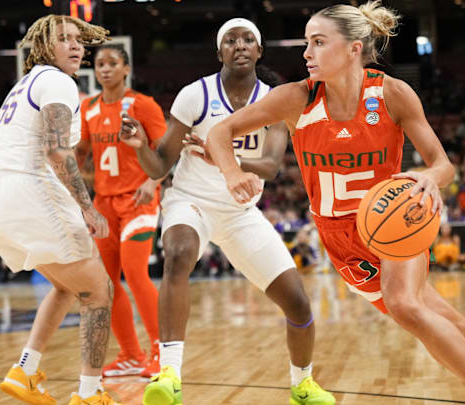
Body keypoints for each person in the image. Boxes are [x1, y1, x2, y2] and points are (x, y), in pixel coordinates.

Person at [204, 3, 465, 404]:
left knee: (404, 305)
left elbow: (443, 165)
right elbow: (220, 133)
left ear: (353, 48)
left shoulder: (392, 94)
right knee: (450, 324)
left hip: (396, 222)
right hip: (340, 240)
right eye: (306, 43)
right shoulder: (295, 99)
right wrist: (232, 172)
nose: (306, 53)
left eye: (317, 42)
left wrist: (428, 178)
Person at [119, 18, 334, 405]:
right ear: (220, 52)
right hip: (191, 201)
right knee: (179, 255)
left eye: (248, 39)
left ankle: (302, 384)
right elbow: (160, 166)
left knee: (298, 303)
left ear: (259, 50)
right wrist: (139, 146)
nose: (240, 45)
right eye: (231, 40)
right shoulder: (195, 95)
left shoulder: (276, 99)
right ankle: (169, 373)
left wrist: (221, 154)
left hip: (240, 212)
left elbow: (270, 167)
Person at [0, 15, 118, 405]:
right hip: (30, 189)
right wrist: (88, 209)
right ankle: (90, 395)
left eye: (78, 39)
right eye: (63, 39)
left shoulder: (24, 85)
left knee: (66, 286)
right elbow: (57, 150)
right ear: (42, 47)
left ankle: (25, 370)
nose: (75, 46)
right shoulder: (57, 81)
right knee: (99, 293)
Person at [77, 45, 166, 378]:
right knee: (105, 285)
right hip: (103, 206)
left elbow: (166, 152)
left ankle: (162, 351)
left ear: (126, 68)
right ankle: (131, 354)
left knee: (135, 270)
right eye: (100, 63)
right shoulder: (87, 108)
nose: (105, 69)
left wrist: (153, 180)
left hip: (138, 200)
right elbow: (81, 152)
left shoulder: (142, 105)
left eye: (113, 63)